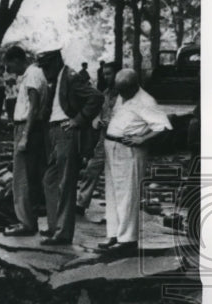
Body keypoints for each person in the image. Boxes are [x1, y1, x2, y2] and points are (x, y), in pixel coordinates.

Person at [99, 69, 171, 257]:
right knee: (113, 192)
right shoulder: (123, 96)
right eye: (119, 89)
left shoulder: (146, 101)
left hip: (129, 150)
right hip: (113, 146)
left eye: (124, 90)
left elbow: (163, 126)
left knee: (127, 194)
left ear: (134, 86)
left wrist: (143, 139)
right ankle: (114, 233)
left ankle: (127, 239)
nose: (121, 93)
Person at [35, 48, 103, 245]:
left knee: (65, 183)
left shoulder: (71, 77)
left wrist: (78, 120)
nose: (44, 71)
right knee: (50, 179)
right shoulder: (56, 79)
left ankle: (63, 233)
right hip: (54, 131)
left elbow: (96, 97)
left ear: (56, 63)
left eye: (47, 67)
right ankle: (55, 226)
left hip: (66, 132)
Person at [2, 45, 48, 236]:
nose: (11, 70)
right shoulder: (36, 74)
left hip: (28, 127)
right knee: (31, 176)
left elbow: (34, 108)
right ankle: (29, 218)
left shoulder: (32, 75)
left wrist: (25, 135)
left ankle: (26, 222)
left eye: (10, 65)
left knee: (22, 178)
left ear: (17, 60)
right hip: (30, 127)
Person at [77, 60, 119, 215]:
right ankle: (81, 202)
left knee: (117, 176)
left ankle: (118, 210)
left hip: (120, 141)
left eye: (109, 74)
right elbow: (97, 116)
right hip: (104, 138)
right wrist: (98, 121)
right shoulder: (105, 94)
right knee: (91, 169)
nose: (106, 77)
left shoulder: (127, 95)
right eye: (104, 74)